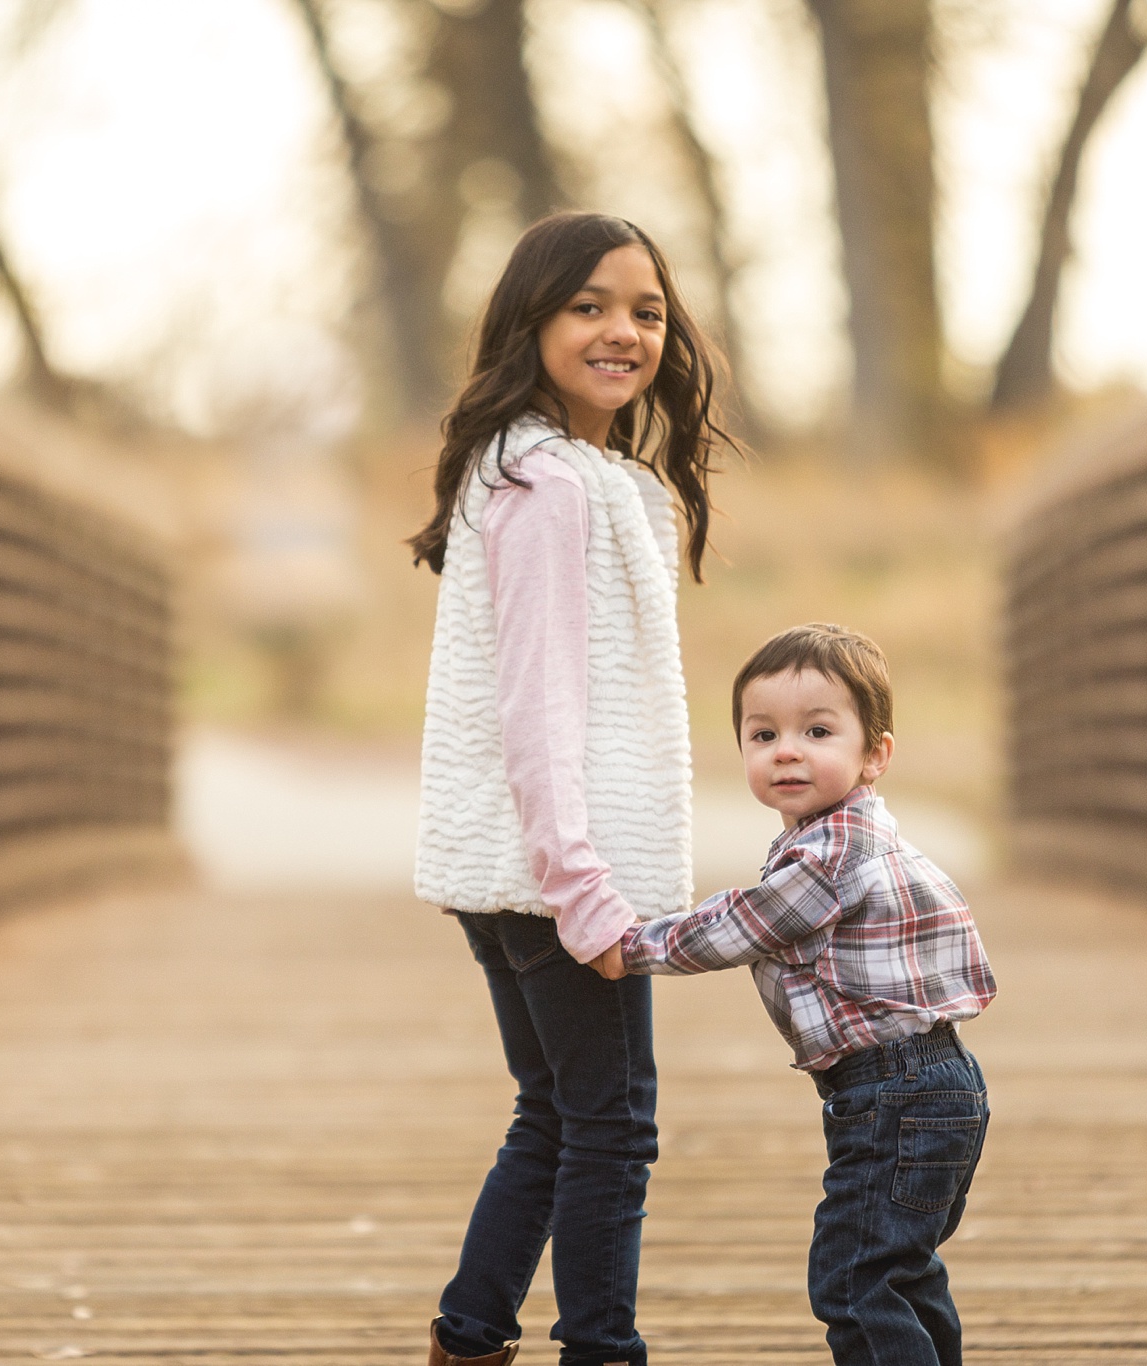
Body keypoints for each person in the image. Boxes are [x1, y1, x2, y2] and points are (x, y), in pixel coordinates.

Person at [410, 212, 732, 1366]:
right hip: (555, 878)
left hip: (510, 871)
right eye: (588, 306)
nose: (622, 332)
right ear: (531, 323)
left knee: (554, 1114)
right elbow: (536, 707)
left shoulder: (563, 475)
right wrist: (585, 888)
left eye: (644, 311)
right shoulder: (548, 487)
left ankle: (470, 1335)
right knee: (614, 1129)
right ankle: (602, 1350)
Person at [600, 624, 997, 1366]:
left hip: (897, 1090)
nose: (786, 749)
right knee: (897, 1268)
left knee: (854, 1278)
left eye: (817, 730)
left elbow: (746, 923)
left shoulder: (830, 854)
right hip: (923, 1085)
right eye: (763, 733)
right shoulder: (834, 834)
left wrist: (626, 946)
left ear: (874, 753)